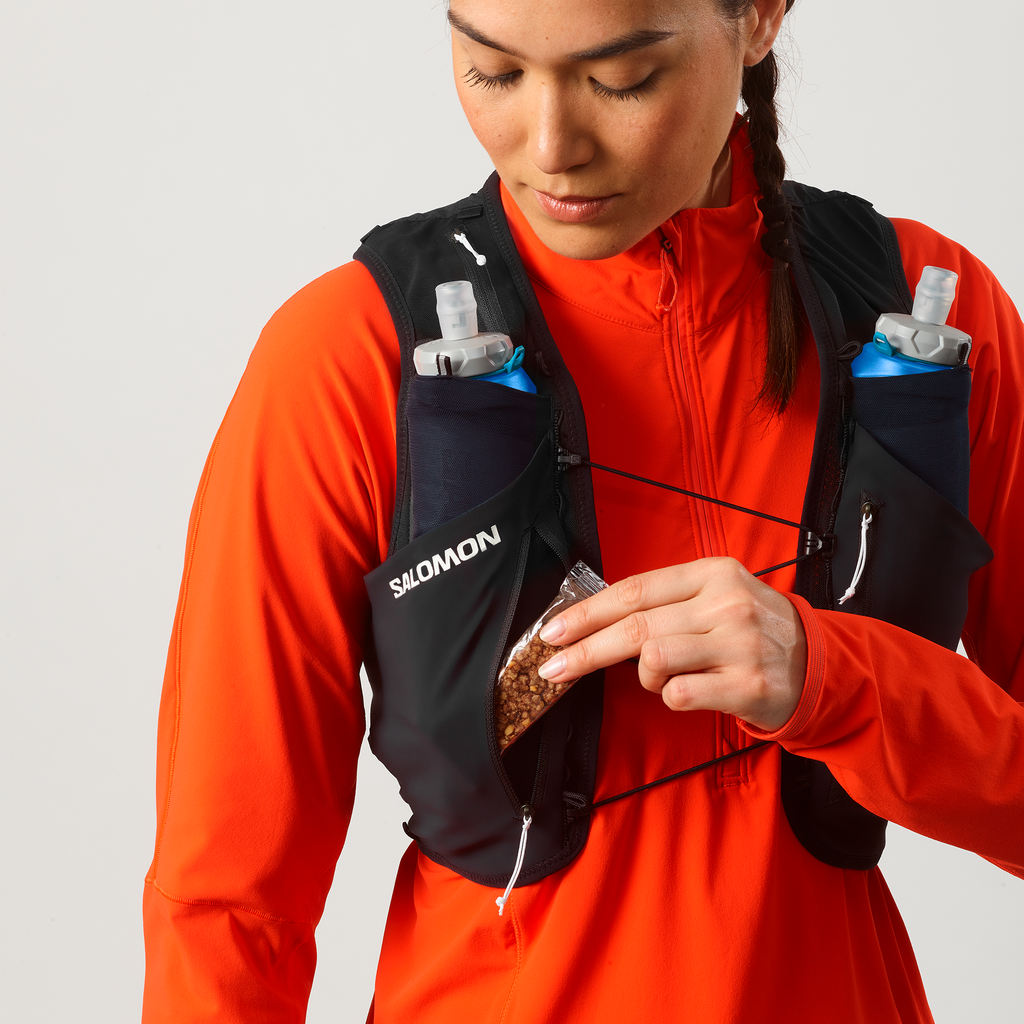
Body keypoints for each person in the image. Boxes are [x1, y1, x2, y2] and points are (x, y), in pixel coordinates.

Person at [142, 1, 1024, 1021]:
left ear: (757, 18)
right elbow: (224, 903)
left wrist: (836, 680)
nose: (550, 146)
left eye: (620, 80)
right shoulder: (348, 355)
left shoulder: (922, 316)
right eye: (494, 71)